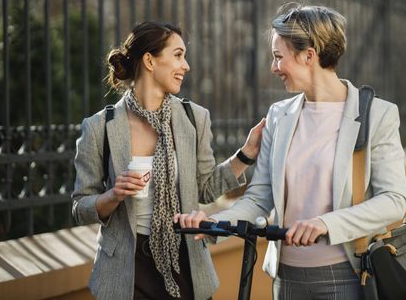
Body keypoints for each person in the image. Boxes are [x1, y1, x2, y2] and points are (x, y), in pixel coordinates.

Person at [175, 3, 406, 300]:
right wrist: (216, 225)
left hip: (347, 277)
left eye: (278, 57)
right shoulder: (278, 115)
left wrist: (325, 223)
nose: (273, 68)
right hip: (286, 280)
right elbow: (260, 198)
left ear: (308, 55)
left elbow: (393, 200)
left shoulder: (377, 114)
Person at [72, 21, 265, 300]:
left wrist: (246, 154)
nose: (185, 65)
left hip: (185, 261)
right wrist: (114, 195)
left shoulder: (193, 118)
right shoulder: (99, 127)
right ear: (150, 60)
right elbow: (81, 207)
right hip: (128, 271)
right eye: (177, 55)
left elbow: (205, 188)